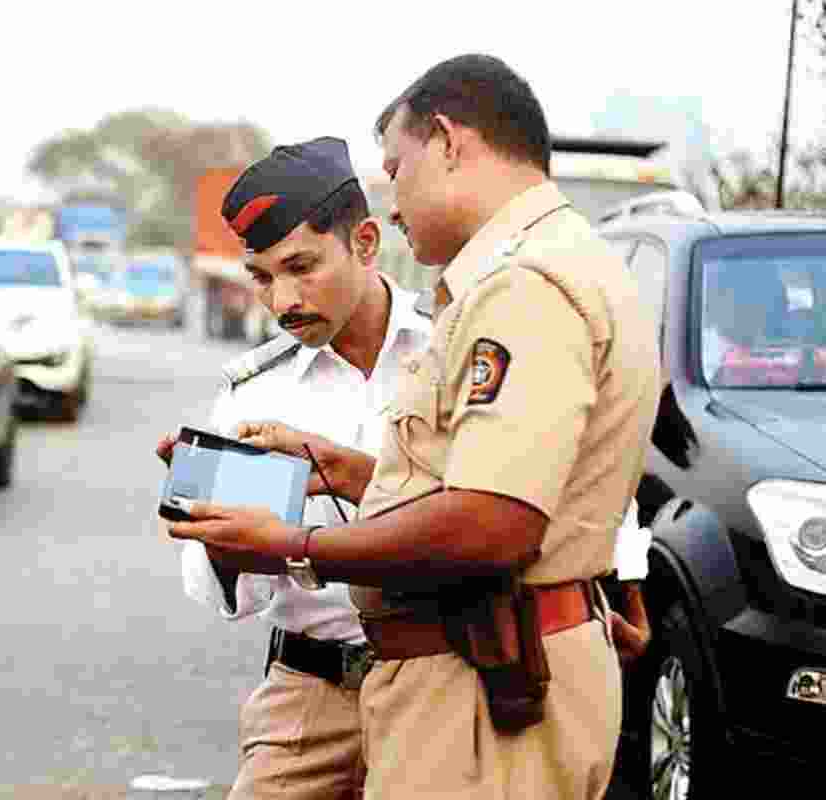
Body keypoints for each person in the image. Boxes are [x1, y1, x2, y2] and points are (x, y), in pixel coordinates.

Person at [163, 53, 662, 800]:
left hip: (484, 675)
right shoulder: (562, 266)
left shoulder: (517, 290)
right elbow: (521, 485)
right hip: (354, 682)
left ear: (449, 141)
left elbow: (498, 521)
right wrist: (347, 474)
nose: (394, 199)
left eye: (396, 169)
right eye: (263, 277)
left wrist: (299, 544)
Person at [160, 136, 432, 800]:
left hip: (440, 678)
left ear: (365, 243)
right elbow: (225, 592)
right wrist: (221, 532)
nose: (283, 301)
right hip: (310, 694)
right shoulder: (254, 395)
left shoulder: (450, 350)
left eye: (302, 267)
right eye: (262, 277)